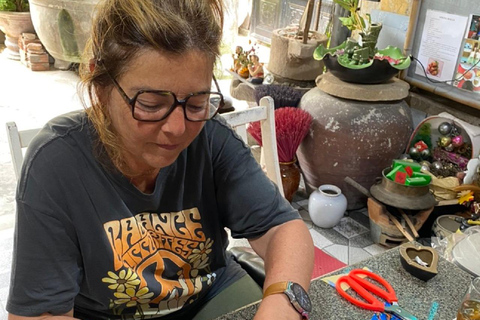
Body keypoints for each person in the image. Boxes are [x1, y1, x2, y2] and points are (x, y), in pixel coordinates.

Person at [7, 0, 314, 319]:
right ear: (101, 86)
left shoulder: (211, 138)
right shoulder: (57, 165)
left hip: (209, 296)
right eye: (151, 104)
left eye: (196, 103)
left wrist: (284, 304)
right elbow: (41, 314)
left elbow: (283, 229)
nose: (178, 129)